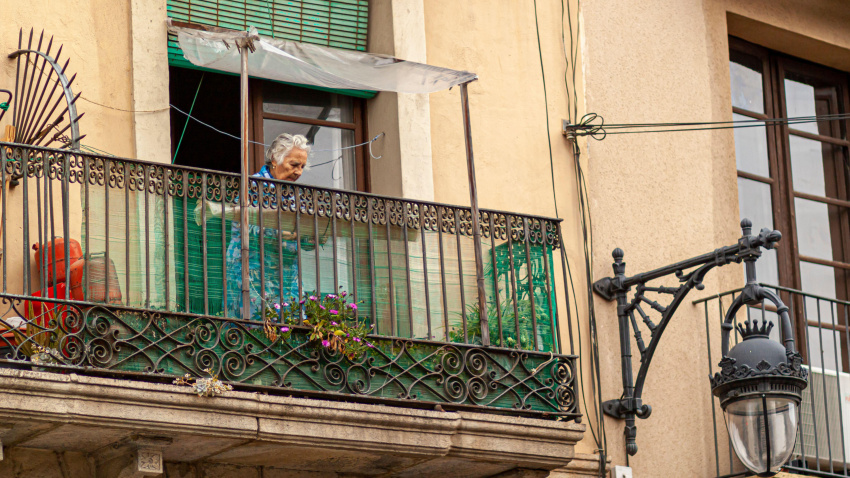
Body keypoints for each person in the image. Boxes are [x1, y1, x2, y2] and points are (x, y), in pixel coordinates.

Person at [226, 133, 313, 320]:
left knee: (289, 329)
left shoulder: (294, 195)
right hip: (254, 272)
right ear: (275, 159)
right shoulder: (253, 186)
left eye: (302, 167)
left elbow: (304, 237)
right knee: (255, 329)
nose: (298, 172)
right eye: (294, 165)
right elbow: (243, 222)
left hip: (288, 275)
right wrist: (281, 232)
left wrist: (312, 236)